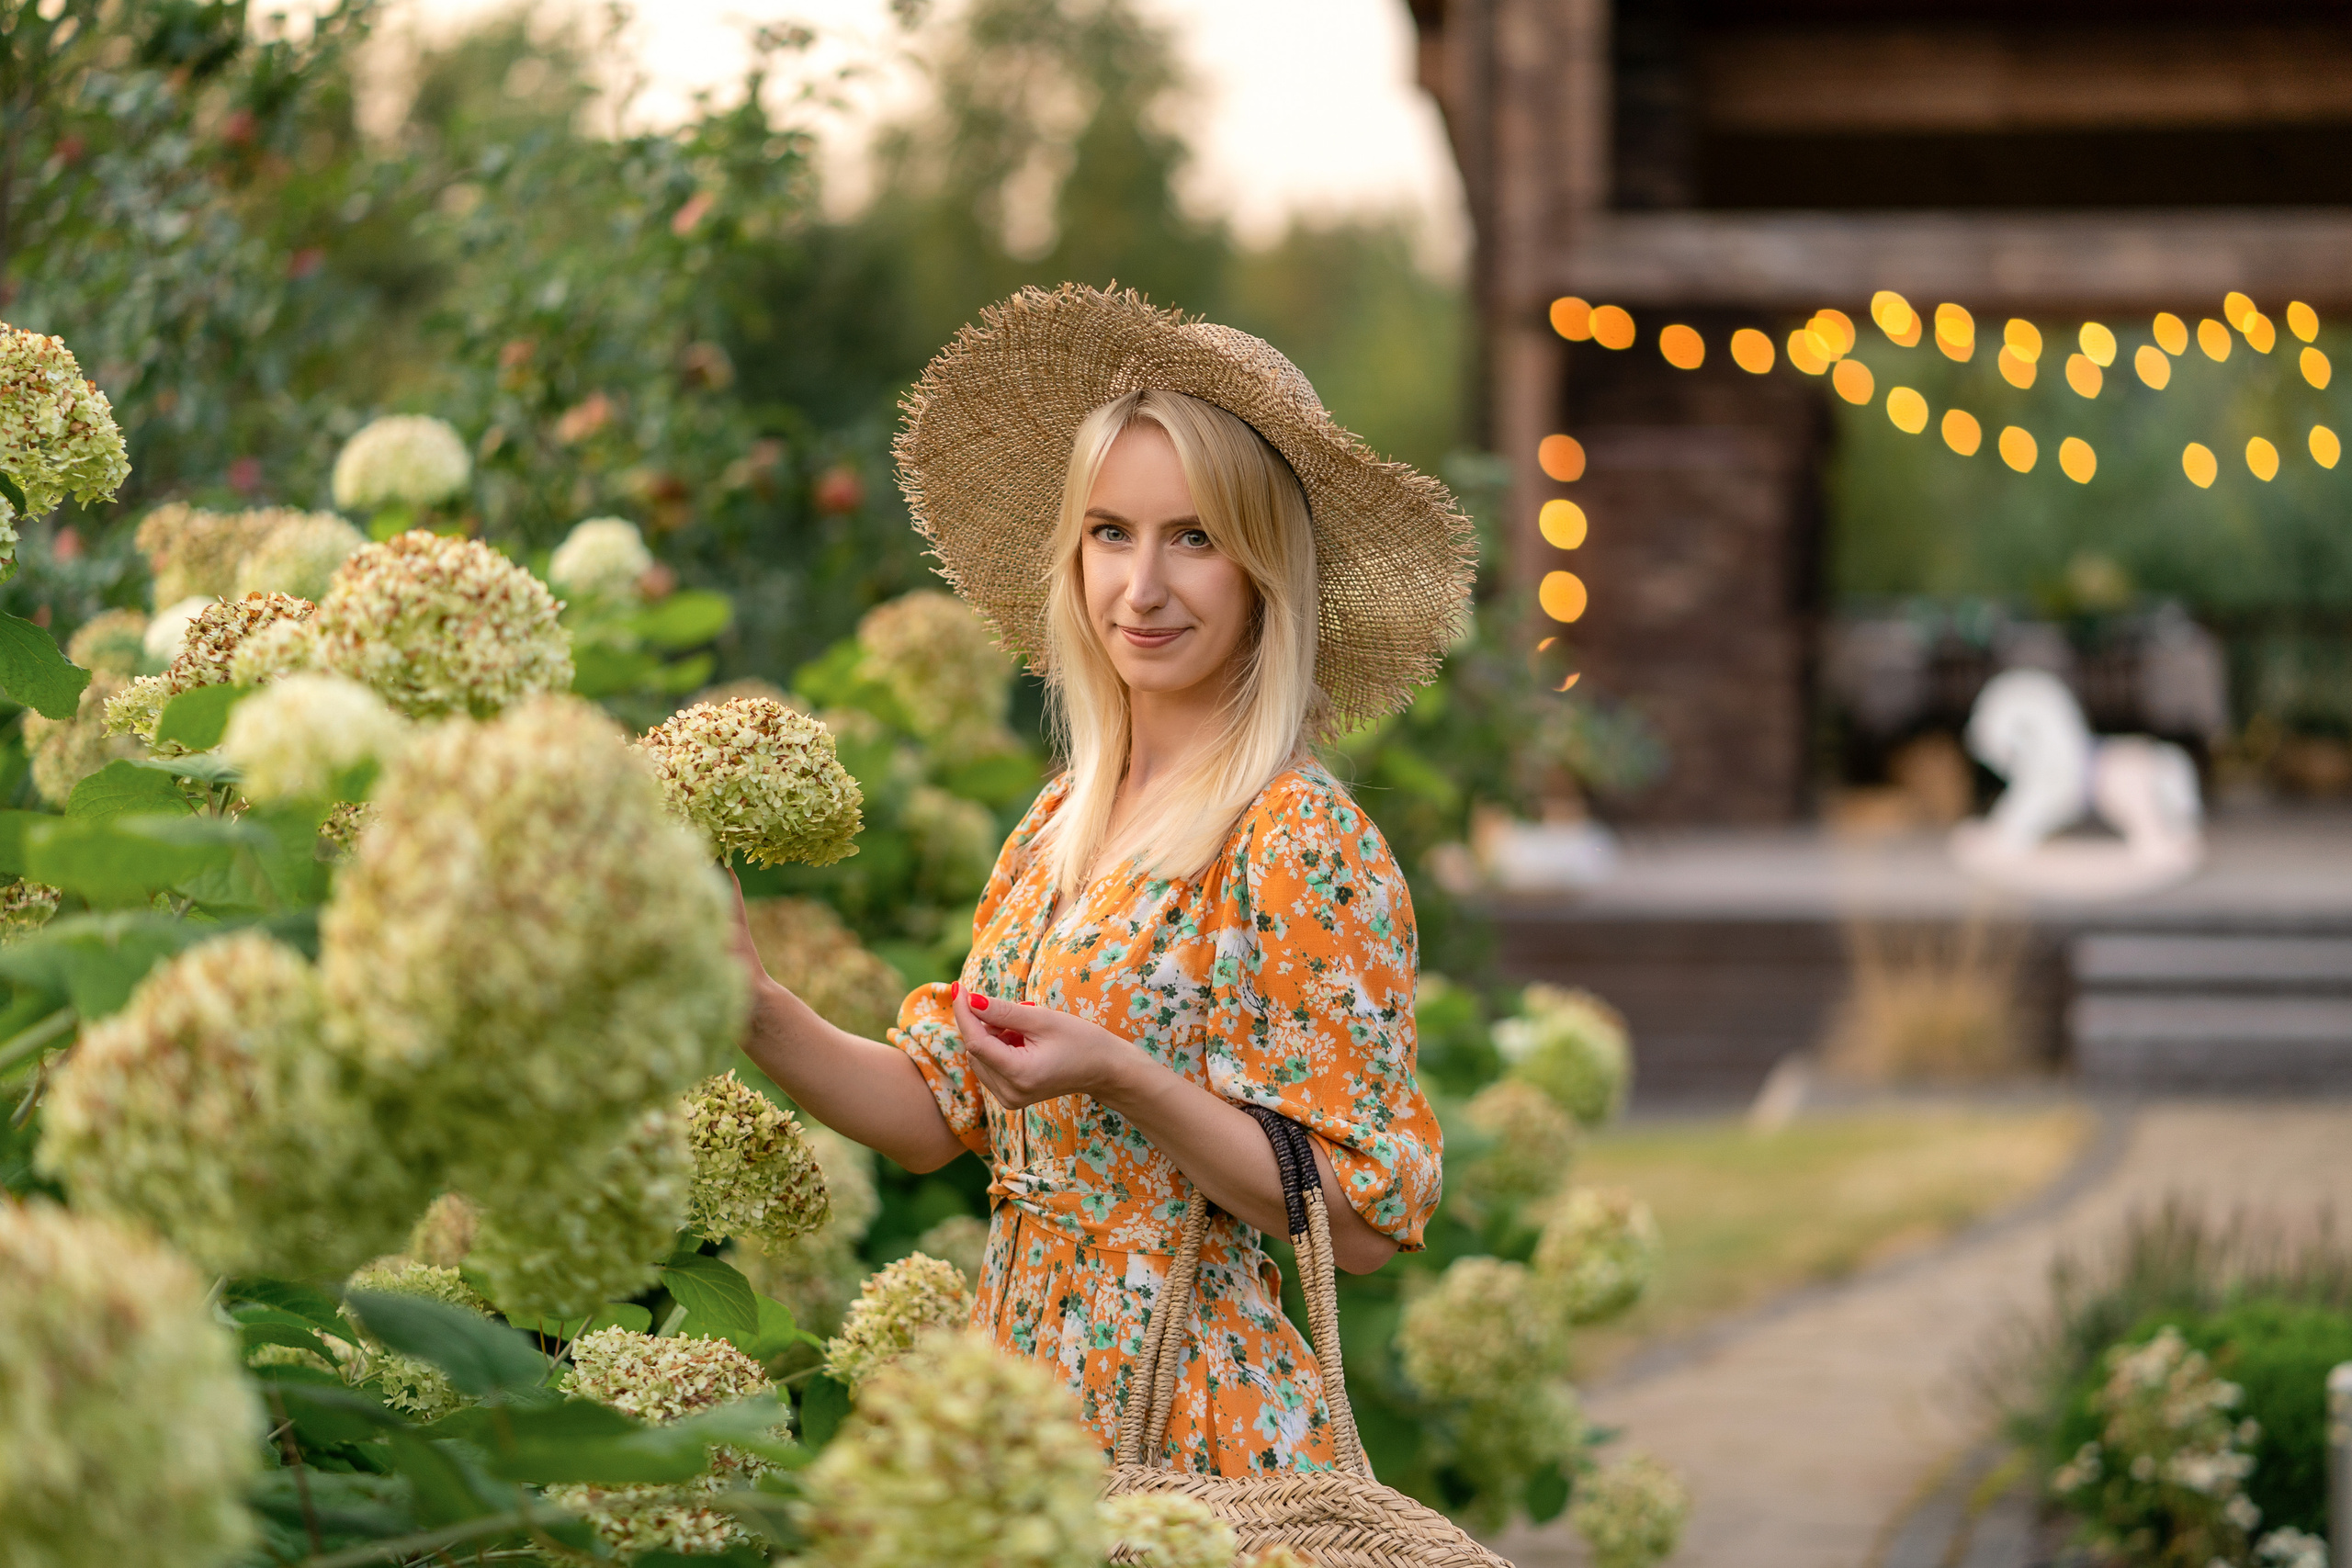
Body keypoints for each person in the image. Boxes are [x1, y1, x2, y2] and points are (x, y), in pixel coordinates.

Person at [731, 284, 1476, 1474]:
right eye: (1112, 533)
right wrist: (753, 1005)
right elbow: (940, 1115)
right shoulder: (1060, 825)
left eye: (1195, 538)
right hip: (1026, 1417)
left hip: (1199, 1434)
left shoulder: (1296, 839)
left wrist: (1127, 1078)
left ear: (1265, 570)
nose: (1143, 587)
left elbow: (1358, 1219)